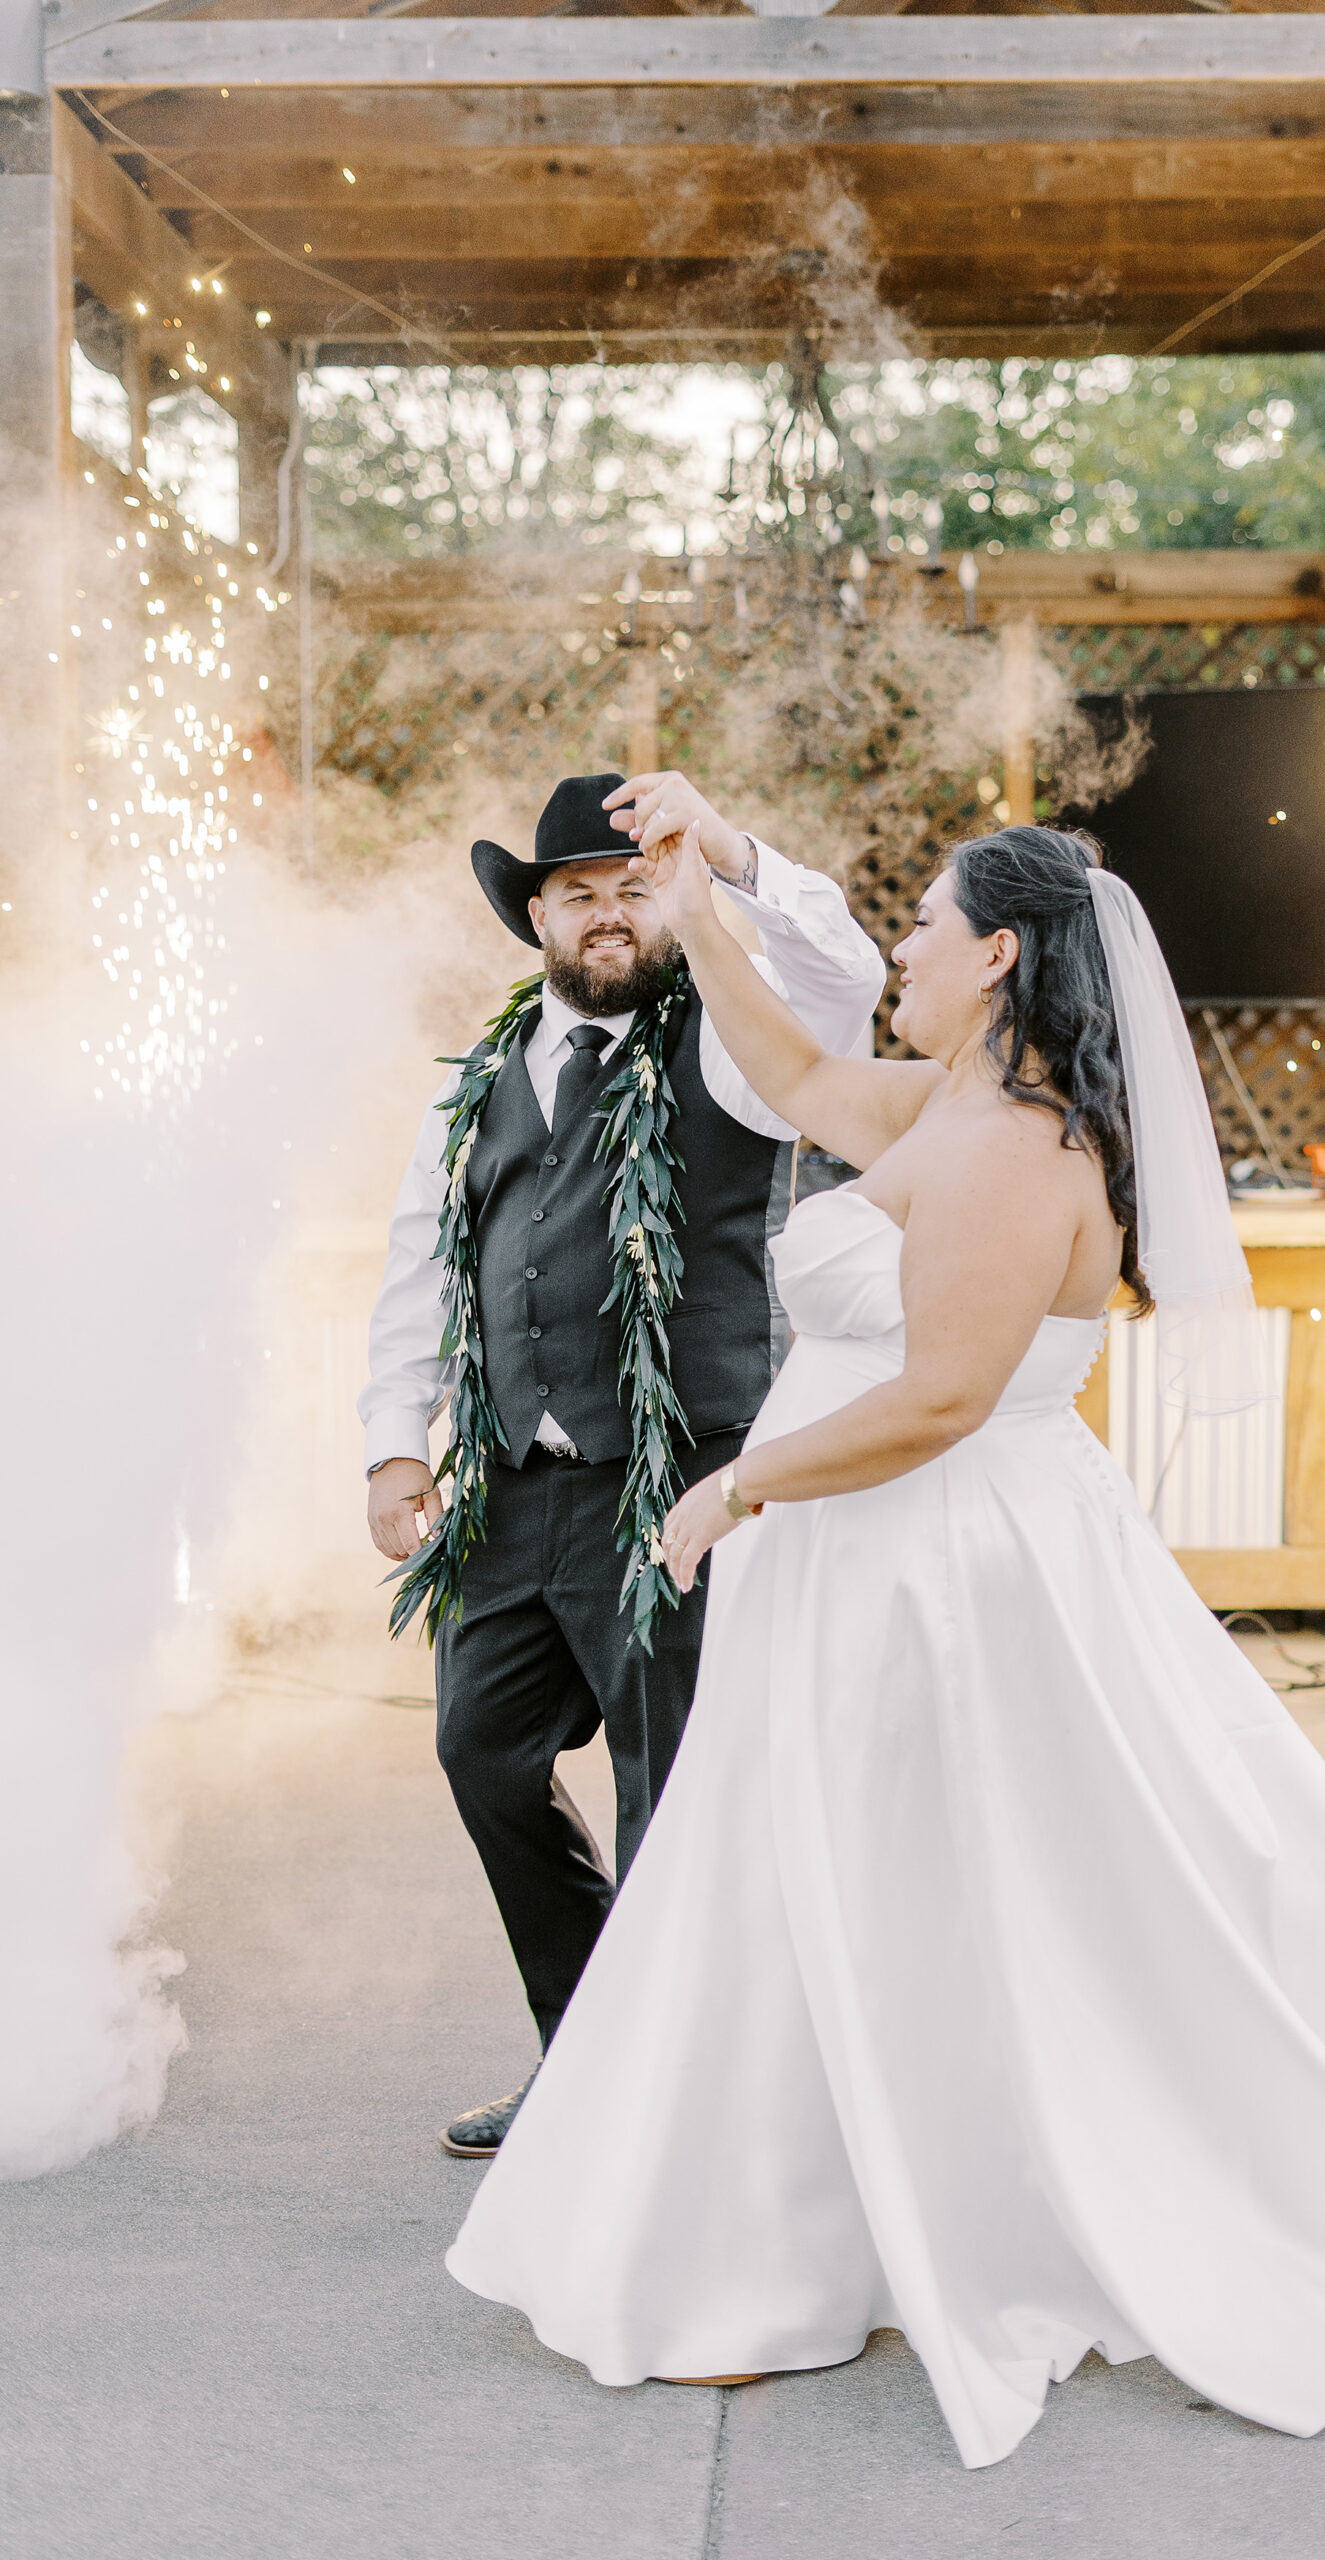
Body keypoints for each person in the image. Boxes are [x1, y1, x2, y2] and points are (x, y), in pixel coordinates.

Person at [446, 818, 1325, 2468]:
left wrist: (735, 1488)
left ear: (1000, 959)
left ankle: (868, 2233)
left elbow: (945, 1400)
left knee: (984, 1888)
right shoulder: (949, 1107)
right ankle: (815, 2223)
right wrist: (703, 915)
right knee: (846, 1886)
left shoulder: (1015, 1150)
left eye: (923, 929)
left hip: (943, 1569)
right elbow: (804, 1083)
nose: (899, 952)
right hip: (875, 1563)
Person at [360, 771, 885, 2158]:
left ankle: (675, 2114)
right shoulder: (478, 1083)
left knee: (673, 1793)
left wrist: (730, 850)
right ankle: (592, 2049)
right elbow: (421, 1263)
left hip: (675, 1488)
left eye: (634, 887)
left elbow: (847, 979)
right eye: (580, 893)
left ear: (674, 902)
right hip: (510, 1493)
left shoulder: (728, 1046)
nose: (608, 915)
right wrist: (391, 1446)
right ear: (535, 914)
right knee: (481, 1753)